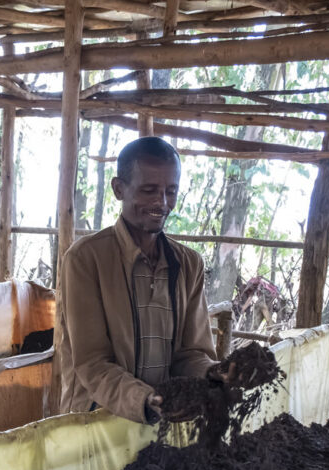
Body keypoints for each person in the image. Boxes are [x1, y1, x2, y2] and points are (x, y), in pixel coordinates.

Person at [56, 136, 218, 424]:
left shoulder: (188, 265)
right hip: (95, 427)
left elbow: (191, 354)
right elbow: (92, 364)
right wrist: (146, 400)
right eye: (149, 190)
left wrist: (215, 373)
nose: (162, 202)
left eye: (171, 191)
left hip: (160, 424)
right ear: (119, 189)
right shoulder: (86, 259)